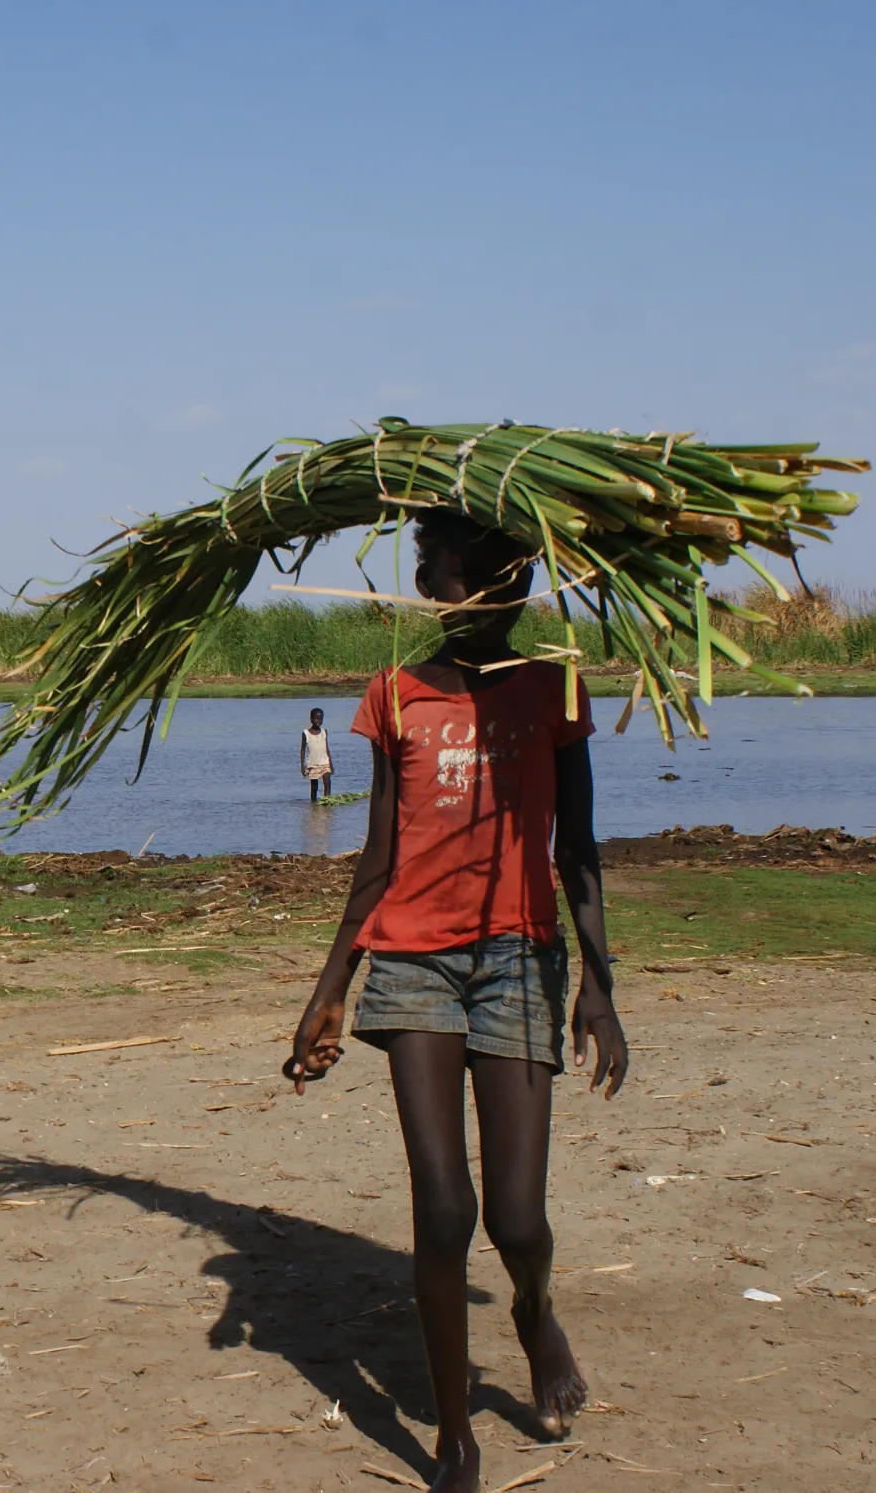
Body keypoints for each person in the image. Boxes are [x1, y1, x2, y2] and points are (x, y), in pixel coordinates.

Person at [287, 510, 629, 1493]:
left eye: (456, 573)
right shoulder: (395, 694)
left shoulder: (553, 687)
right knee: (444, 1209)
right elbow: (378, 857)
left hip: (520, 960)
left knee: (516, 1220)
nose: (443, 591)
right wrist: (327, 992)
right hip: (412, 963)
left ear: (509, 589)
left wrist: (599, 991)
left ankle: (532, 1310)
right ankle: (454, 1440)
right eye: (434, 574)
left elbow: (581, 851)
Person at [300, 706, 334, 801]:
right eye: (316, 718)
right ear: (311, 719)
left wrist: (330, 763)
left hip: (325, 762)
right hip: (313, 763)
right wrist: (302, 766)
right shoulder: (306, 733)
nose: (318, 721)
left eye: (320, 719)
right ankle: (313, 804)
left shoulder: (324, 732)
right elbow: (302, 749)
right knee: (314, 787)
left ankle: (327, 801)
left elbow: (326, 748)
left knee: (327, 781)